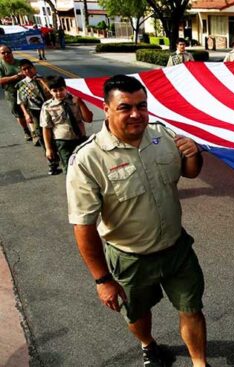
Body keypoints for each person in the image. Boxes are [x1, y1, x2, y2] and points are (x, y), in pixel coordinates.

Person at [66, 75, 208, 367]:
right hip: (131, 259)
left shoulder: (162, 135)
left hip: (177, 249)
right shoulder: (87, 160)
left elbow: (190, 172)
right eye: (125, 107)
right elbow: (83, 225)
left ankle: (199, 363)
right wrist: (103, 279)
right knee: (138, 313)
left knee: (192, 308)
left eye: (141, 106)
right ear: (106, 108)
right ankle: (148, 345)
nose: (135, 114)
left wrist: (194, 155)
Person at [40, 75, 93, 173]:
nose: (59, 93)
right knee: (70, 170)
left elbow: (88, 119)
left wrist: (80, 102)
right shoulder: (47, 106)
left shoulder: (75, 100)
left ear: (66, 88)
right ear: (50, 91)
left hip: (81, 139)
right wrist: (48, 148)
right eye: (55, 91)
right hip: (63, 142)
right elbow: (46, 128)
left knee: (87, 167)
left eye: (61, 89)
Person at [0, 44, 30, 141]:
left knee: (31, 111)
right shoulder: (1, 65)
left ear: (11, 52)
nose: (6, 54)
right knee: (19, 114)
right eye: (3, 53)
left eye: (8, 52)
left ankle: (35, 131)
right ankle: (26, 130)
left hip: (26, 91)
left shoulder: (20, 62)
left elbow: (30, 72)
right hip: (11, 93)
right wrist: (16, 77)